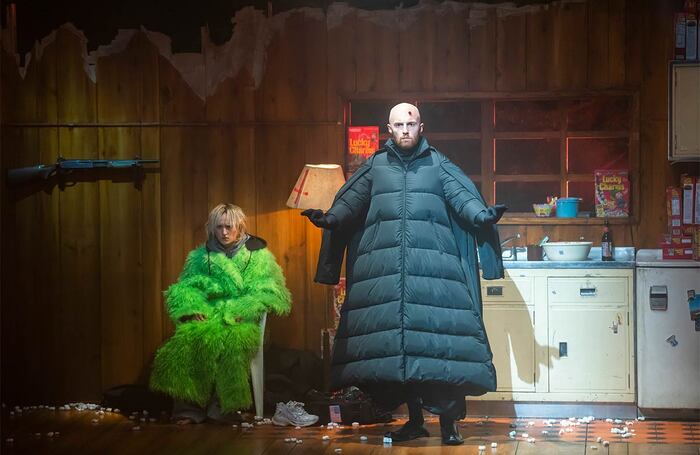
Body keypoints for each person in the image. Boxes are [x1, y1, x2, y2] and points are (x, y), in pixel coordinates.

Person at [302, 103, 506, 445]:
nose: (406, 130)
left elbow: (461, 197)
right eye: (399, 125)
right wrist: (330, 219)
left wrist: (482, 217)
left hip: (434, 275)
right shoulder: (376, 166)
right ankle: (414, 421)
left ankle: (449, 425)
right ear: (389, 129)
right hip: (389, 274)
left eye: (411, 123)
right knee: (401, 351)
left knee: (442, 350)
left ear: (421, 126)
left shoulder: (438, 164)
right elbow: (350, 202)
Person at [150, 203, 292, 424]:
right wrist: (193, 308)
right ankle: (189, 409)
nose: (224, 232)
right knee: (186, 341)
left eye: (229, 227)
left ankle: (225, 408)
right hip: (209, 314)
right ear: (212, 228)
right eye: (219, 227)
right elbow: (185, 287)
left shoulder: (258, 255)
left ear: (240, 227)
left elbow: (271, 290)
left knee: (233, 342)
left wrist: (244, 310)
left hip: (242, 318)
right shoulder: (200, 256)